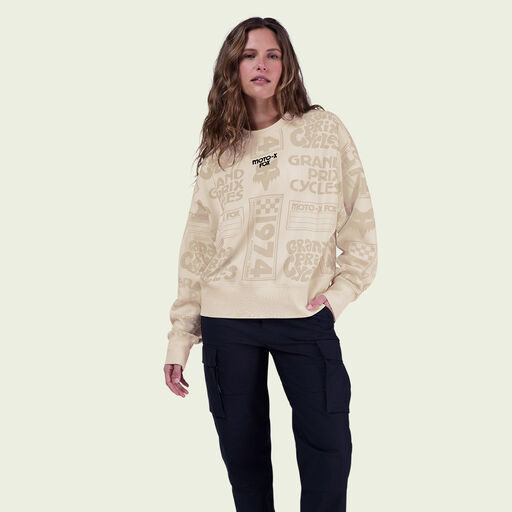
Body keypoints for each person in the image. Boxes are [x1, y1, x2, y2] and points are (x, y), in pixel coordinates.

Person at [163, 17, 377, 512]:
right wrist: (181, 336)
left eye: (272, 54)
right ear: (233, 67)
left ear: (286, 65)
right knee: (244, 461)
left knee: (329, 450)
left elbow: (360, 223)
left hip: (304, 316)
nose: (261, 64)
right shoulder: (220, 151)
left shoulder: (323, 130)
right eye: (249, 55)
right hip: (226, 321)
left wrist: (339, 296)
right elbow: (197, 249)